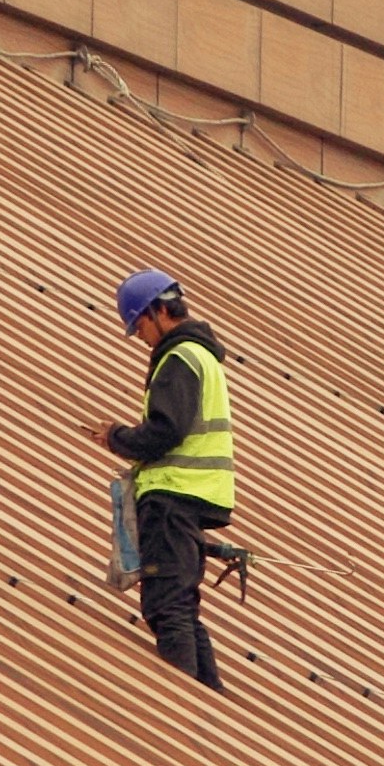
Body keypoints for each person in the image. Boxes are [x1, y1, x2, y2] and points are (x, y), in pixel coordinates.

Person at [97, 271, 235, 691]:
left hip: (174, 496)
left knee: (166, 605)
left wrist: (116, 437)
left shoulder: (179, 358)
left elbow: (165, 431)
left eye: (139, 324)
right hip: (192, 500)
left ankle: (189, 697)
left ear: (160, 311)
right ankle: (208, 697)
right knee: (181, 608)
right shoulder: (202, 357)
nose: (141, 337)